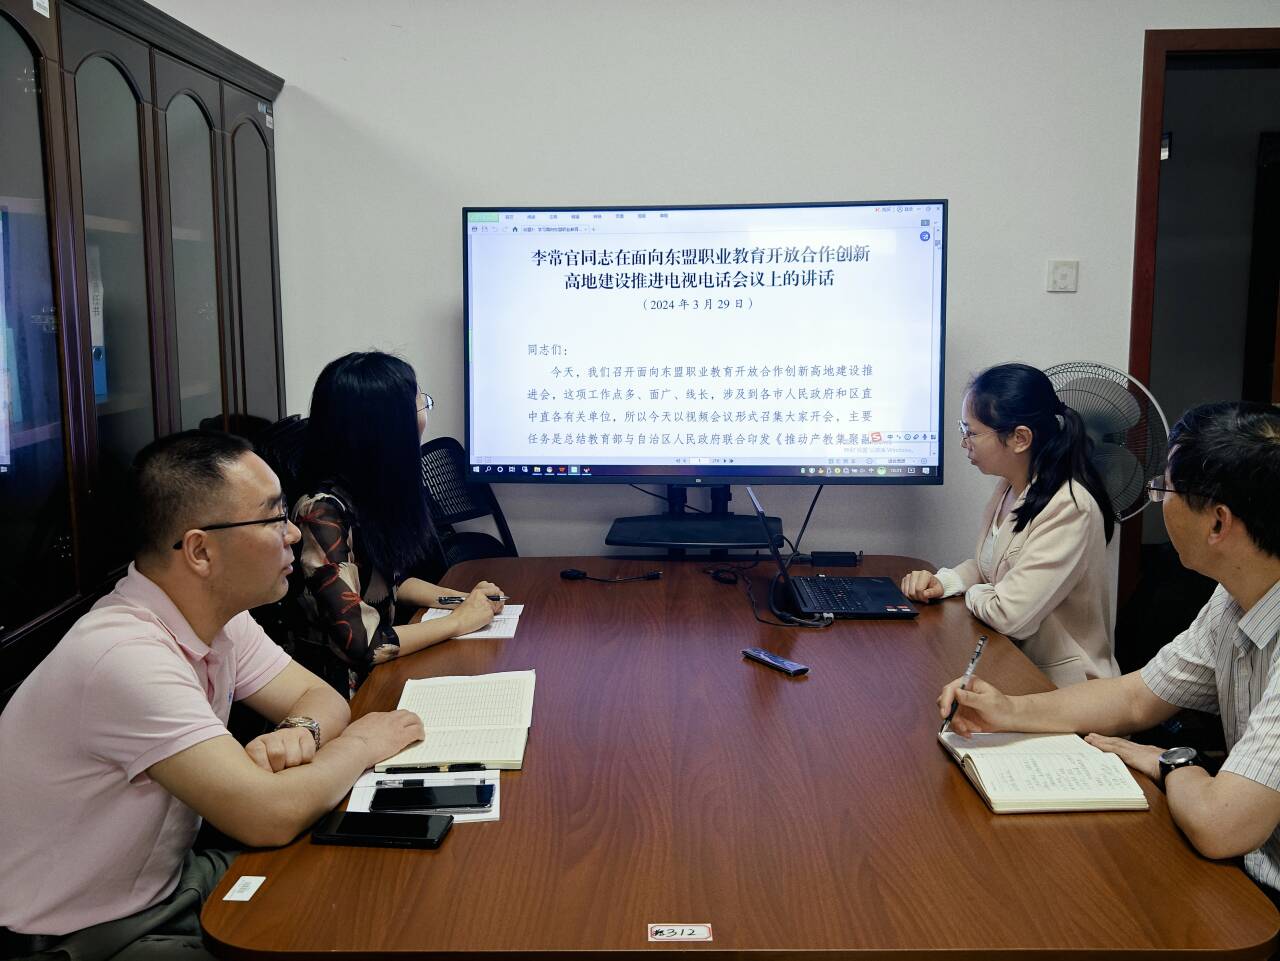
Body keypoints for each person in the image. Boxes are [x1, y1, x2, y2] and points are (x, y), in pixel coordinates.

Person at [0, 430, 425, 960]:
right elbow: (267, 815)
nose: (294, 533)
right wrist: (361, 744)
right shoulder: (123, 656)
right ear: (200, 550)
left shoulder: (216, 615)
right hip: (80, 936)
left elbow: (320, 698)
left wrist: (301, 731)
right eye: (273, 517)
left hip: (170, 883)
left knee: (364, 888)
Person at [939, 401, 1280, 899]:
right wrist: (1007, 710)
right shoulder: (1232, 600)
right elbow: (1137, 698)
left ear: (1217, 523)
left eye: (1164, 488)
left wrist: (1172, 762)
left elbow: (1220, 825)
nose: (1157, 499)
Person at [294, 351, 504, 697]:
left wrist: (463, 600)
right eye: (420, 404)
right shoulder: (320, 512)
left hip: (381, 673)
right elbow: (363, 643)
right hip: (343, 692)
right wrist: (459, 621)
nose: (424, 416)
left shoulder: (369, 488)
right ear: (388, 427)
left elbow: (392, 582)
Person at [900, 363, 1119, 686]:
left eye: (972, 433)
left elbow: (1009, 616)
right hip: (1011, 663)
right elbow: (993, 568)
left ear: (1020, 438)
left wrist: (978, 592)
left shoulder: (1070, 507)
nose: (964, 443)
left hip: (1061, 686)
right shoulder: (1009, 486)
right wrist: (945, 582)